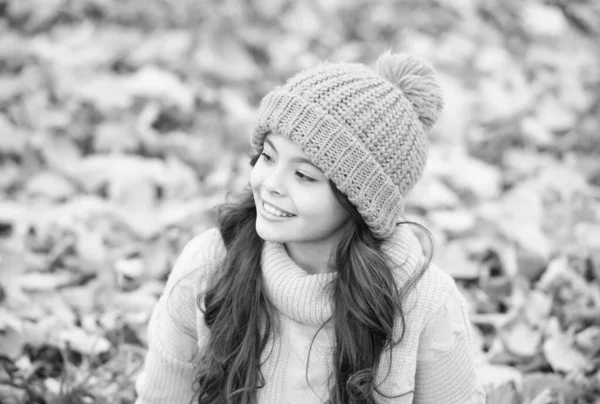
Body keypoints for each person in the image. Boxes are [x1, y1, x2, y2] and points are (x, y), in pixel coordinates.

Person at [134, 51, 486, 404]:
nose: (272, 183)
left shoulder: (424, 302)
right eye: (268, 157)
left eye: (304, 175)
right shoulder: (208, 265)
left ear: (359, 202)